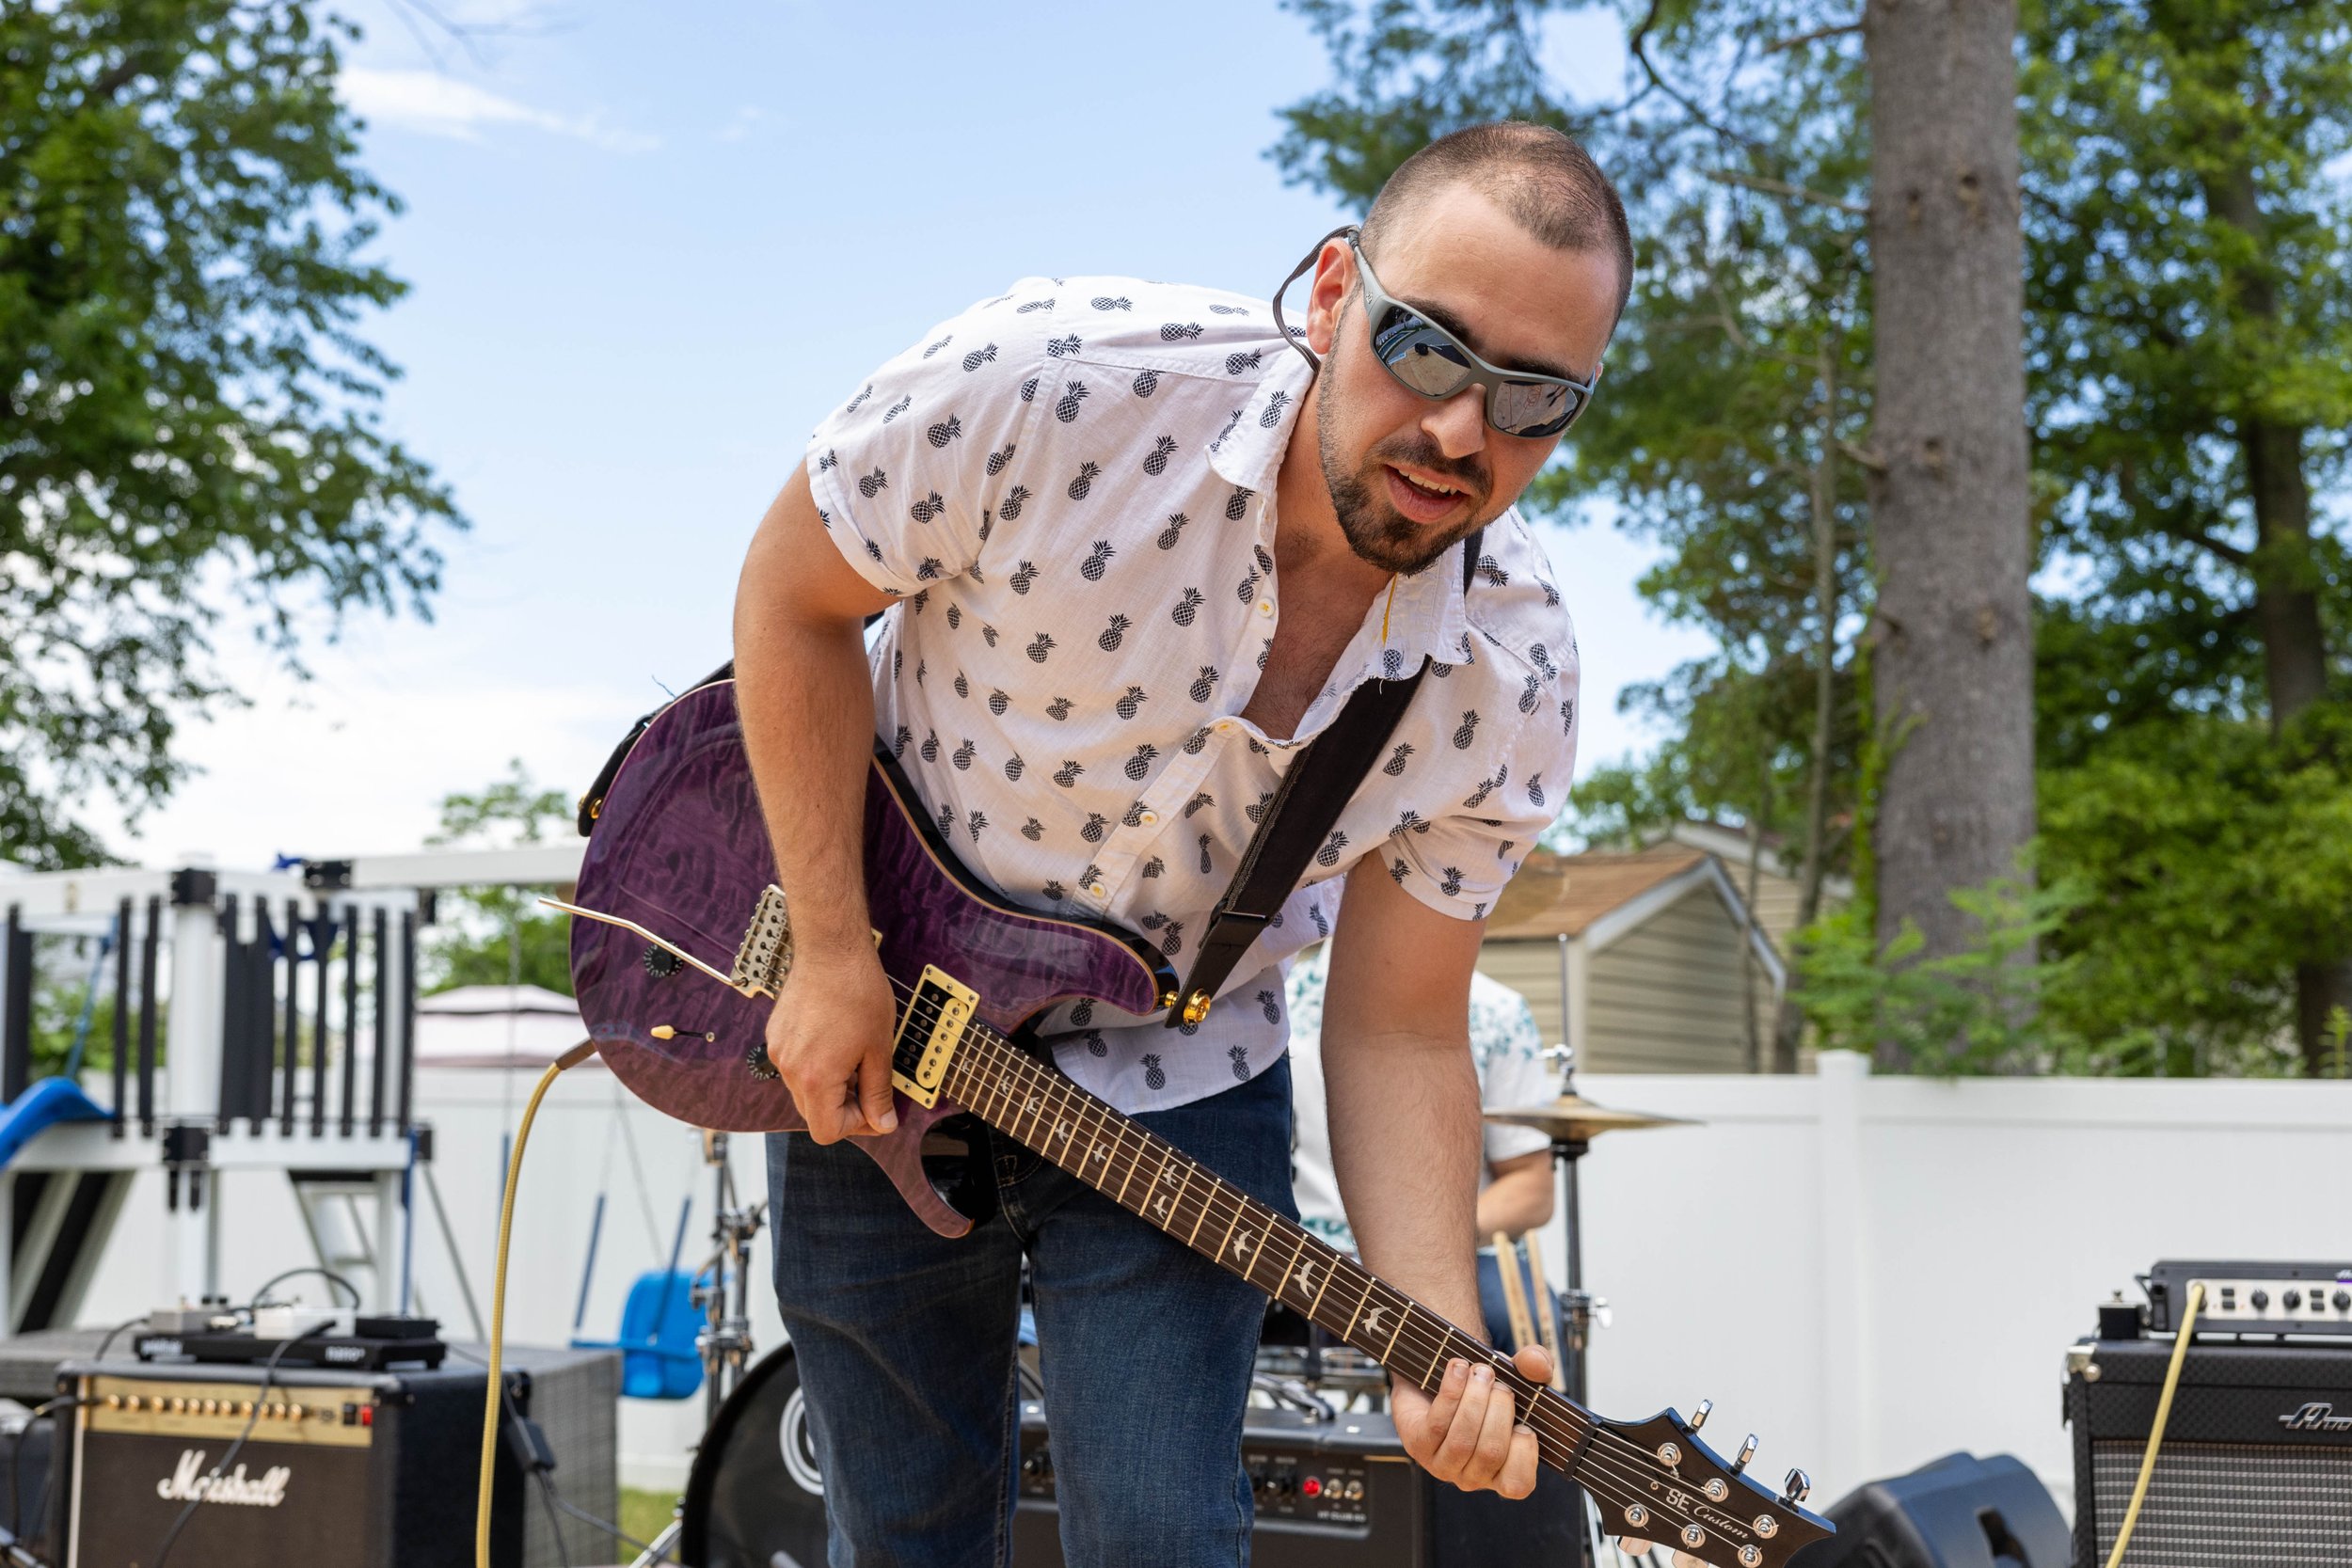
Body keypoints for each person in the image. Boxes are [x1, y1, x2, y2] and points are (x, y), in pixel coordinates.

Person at [732, 120, 1629, 1566]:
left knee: (1164, 1540)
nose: (1465, 430)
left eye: (1535, 397)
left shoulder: (1508, 678)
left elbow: (1400, 1026)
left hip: (1182, 1077)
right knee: (901, 1537)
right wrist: (830, 948)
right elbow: (792, 599)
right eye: (1429, 347)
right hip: (883, 1011)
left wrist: (1435, 1338)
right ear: (1335, 292)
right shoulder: (1051, 382)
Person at [1283, 943, 1561, 1353]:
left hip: (1459, 1250)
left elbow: (1530, 1188)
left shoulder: (1497, 1011)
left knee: (1523, 1322)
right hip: (1309, 1251)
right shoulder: (1278, 1003)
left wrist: (1422, 1249)